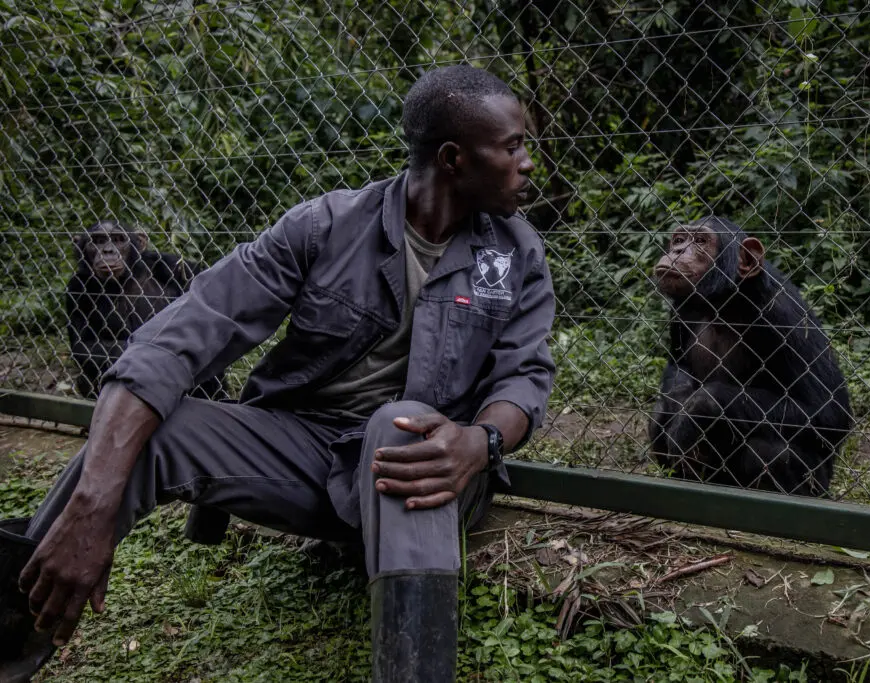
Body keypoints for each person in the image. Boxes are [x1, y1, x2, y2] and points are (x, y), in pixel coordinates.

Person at [0, 65, 555, 683]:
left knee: (402, 427)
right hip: (308, 458)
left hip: (430, 470)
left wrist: (481, 441)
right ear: (454, 158)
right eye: (513, 146)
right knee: (153, 430)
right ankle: (7, 643)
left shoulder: (517, 254)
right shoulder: (326, 226)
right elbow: (174, 340)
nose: (527, 161)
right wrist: (92, 504)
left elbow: (523, 376)